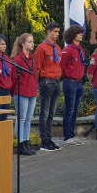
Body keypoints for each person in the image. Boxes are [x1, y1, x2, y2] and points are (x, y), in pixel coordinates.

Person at [34, 22, 62, 151]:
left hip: (56, 82)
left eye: (58, 32)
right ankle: (44, 140)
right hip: (46, 82)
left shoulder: (57, 48)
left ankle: (49, 138)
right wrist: (37, 83)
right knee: (44, 113)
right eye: (55, 31)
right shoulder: (42, 48)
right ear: (48, 31)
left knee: (51, 113)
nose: (57, 34)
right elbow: (37, 68)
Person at [10, 33, 37, 155]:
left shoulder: (31, 58)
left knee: (28, 119)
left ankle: (26, 141)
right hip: (21, 92)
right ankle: (21, 143)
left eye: (32, 41)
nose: (32, 44)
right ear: (23, 44)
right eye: (30, 42)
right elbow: (13, 78)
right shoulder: (18, 59)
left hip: (32, 92)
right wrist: (13, 93)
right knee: (22, 118)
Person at [60, 25, 86, 145]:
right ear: (73, 35)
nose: (81, 34)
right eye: (79, 33)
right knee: (69, 110)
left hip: (79, 83)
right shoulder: (68, 50)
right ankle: (67, 136)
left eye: (82, 33)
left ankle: (71, 134)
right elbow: (61, 66)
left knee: (75, 111)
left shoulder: (81, 49)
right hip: (70, 82)